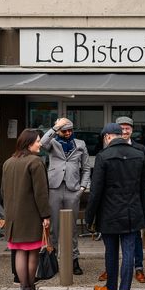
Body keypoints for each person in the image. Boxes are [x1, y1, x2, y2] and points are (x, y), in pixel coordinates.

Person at [87, 123, 145, 290]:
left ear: (107, 137)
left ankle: (111, 288)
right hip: (132, 211)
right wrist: (143, 213)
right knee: (129, 252)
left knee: (111, 251)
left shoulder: (103, 157)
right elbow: (143, 187)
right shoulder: (139, 155)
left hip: (109, 213)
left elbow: (96, 191)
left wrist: (89, 217)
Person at [97, 116, 145, 283]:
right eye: (122, 127)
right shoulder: (106, 152)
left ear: (132, 130)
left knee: (135, 239)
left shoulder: (140, 149)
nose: (125, 130)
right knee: (112, 244)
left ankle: (139, 268)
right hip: (113, 206)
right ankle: (111, 270)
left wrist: (135, 191)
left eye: (128, 127)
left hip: (133, 203)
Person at [0, 129, 51, 290]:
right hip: (32, 214)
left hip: (13, 216)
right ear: (29, 143)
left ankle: (23, 288)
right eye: (38, 141)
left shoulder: (8, 162)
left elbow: (3, 191)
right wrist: (45, 215)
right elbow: (41, 193)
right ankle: (30, 289)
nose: (40, 143)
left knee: (20, 251)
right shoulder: (35, 162)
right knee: (33, 252)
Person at [41, 117, 91, 276]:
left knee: (72, 228)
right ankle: (53, 259)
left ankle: (74, 260)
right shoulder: (53, 143)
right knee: (53, 226)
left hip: (73, 190)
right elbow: (42, 142)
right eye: (65, 130)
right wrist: (56, 127)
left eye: (70, 130)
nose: (68, 133)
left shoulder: (80, 144)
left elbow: (87, 168)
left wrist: (82, 187)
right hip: (54, 188)